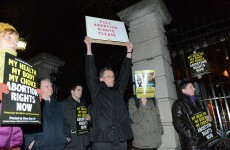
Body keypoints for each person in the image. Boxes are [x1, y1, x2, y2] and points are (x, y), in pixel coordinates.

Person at [84, 36, 134, 150]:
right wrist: (89, 48)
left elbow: (125, 74)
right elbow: (90, 73)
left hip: (120, 137)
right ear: (101, 79)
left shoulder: (118, 90)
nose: (112, 78)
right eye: (108, 76)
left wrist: (129, 51)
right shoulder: (96, 91)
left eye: (112, 76)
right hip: (102, 138)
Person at [24, 77, 71, 150]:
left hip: (59, 146)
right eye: (47, 86)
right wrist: (30, 142)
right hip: (40, 147)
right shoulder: (33, 105)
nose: (51, 88)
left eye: (51, 86)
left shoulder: (57, 105)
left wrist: (67, 137)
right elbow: (26, 125)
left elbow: (65, 122)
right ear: (39, 89)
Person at [0, 22, 23, 150]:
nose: (15, 43)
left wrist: (33, 96)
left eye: (16, 40)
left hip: (14, 134)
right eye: (9, 37)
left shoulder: (18, 67)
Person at [171, 81, 212, 150]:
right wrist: (192, 135)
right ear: (183, 90)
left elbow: (202, 117)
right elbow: (177, 123)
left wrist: (208, 119)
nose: (194, 89)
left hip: (204, 139)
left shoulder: (196, 102)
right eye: (191, 87)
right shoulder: (178, 103)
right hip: (193, 143)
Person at [60, 82, 91, 150]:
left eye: (81, 90)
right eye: (78, 90)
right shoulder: (63, 104)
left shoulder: (84, 104)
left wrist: (89, 118)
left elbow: (86, 123)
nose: (81, 92)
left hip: (84, 142)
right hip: (71, 143)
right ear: (72, 91)